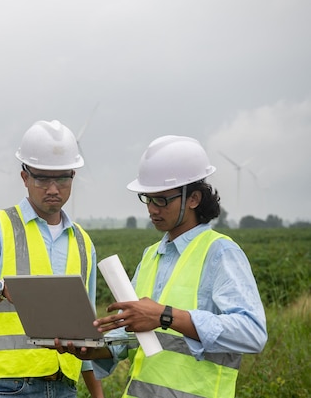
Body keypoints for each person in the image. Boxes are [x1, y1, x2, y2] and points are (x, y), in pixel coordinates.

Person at [56, 135, 268, 398]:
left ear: (193, 199)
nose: (152, 210)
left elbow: (252, 333)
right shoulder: (151, 256)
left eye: (162, 200)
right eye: (148, 198)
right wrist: (91, 349)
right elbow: (130, 337)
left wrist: (165, 316)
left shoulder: (220, 253)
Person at [0, 120, 104, 398]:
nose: (53, 188)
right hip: (6, 388)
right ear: (25, 177)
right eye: (42, 178)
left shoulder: (83, 242)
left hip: (65, 387)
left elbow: (86, 330)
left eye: (62, 178)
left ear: (73, 177)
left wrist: (97, 394)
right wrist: (2, 289)